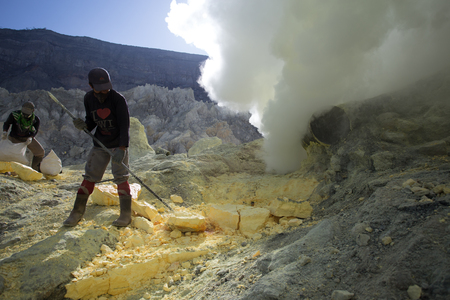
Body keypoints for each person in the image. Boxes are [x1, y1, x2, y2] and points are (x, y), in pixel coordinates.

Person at [63, 67, 132, 227]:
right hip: (100, 144)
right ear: (90, 86)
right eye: (99, 89)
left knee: (121, 177)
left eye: (106, 88)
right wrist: (83, 125)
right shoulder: (88, 99)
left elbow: (124, 125)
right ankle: (77, 212)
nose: (104, 92)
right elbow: (92, 121)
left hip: (118, 145)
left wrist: (122, 149)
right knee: (90, 177)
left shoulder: (118, 99)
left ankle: (125, 214)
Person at [2, 101, 45, 171]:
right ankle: (7, 170)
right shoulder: (14, 115)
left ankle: (35, 170)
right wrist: (5, 131)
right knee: (9, 154)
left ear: (32, 111)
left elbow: (35, 130)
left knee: (40, 152)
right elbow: (7, 123)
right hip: (14, 138)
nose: (25, 115)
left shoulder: (35, 120)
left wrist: (31, 137)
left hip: (27, 139)